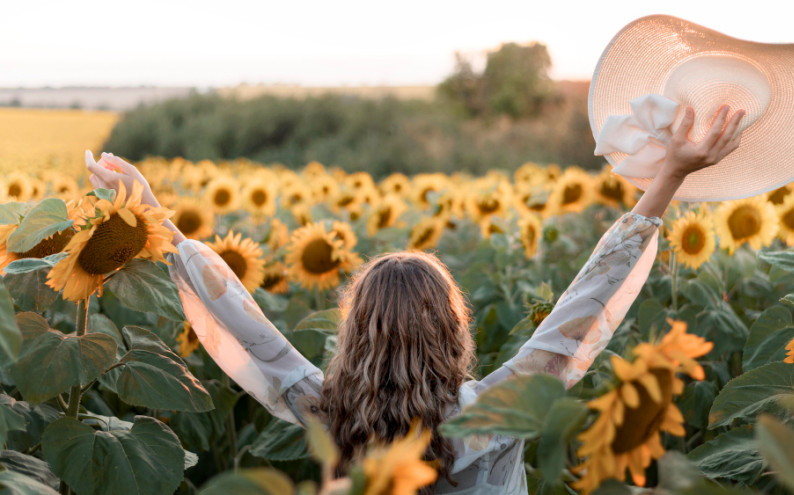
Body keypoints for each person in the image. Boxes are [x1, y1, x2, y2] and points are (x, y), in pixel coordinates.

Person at [85, 104, 744, 494]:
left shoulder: (328, 415)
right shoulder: (496, 411)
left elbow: (250, 330)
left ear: (354, 338)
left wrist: (159, 224)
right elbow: (581, 311)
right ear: (455, 333)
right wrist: (668, 177)